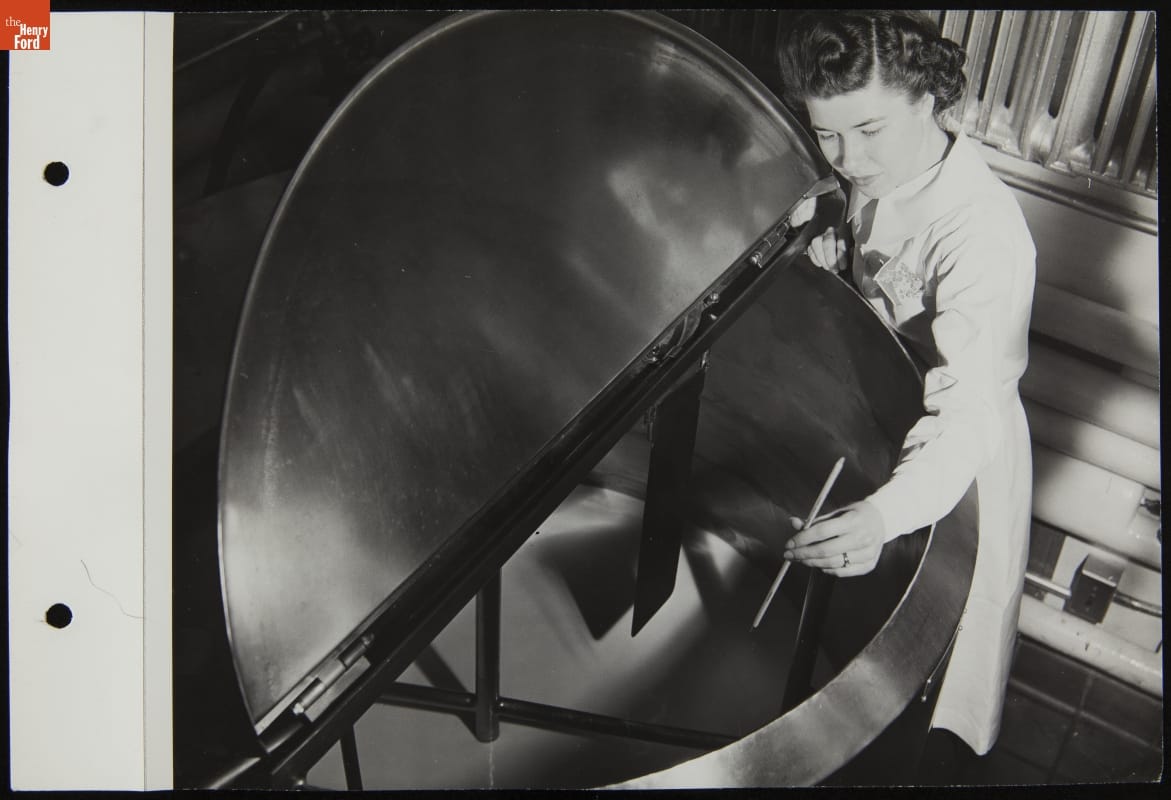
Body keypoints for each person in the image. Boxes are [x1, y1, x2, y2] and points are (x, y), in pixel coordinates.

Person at [775, 10, 1036, 778]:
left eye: (867, 131)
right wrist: (834, 262)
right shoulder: (883, 165)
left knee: (931, 669)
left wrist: (886, 513)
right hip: (883, 409)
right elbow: (882, 270)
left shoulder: (980, 233)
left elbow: (967, 414)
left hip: (957, 450)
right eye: (826, 134)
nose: (846, 157)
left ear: (927, 100)